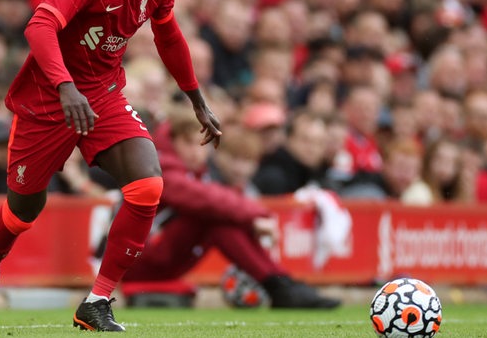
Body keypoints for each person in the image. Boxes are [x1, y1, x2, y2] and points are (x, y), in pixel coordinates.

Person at [0, 0, 222, 332]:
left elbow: (170, 37)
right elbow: (40, 25)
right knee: (22, 212)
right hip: (49, 99)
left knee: (146, 187)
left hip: (102, 94)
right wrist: (65, 87)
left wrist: (196, 99)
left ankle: (97, 301)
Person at [123, 108, 340, 309]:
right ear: (172, 141)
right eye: (188, 143)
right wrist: (256, 215)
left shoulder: (192, 172)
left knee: (220, 219)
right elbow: (201, 197)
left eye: (201, 144)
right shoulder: (156, 167)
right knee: (213, 216)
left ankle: (281, 283)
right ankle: (279, 285)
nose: (196, 152)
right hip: (132, 262)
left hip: (158, 260)